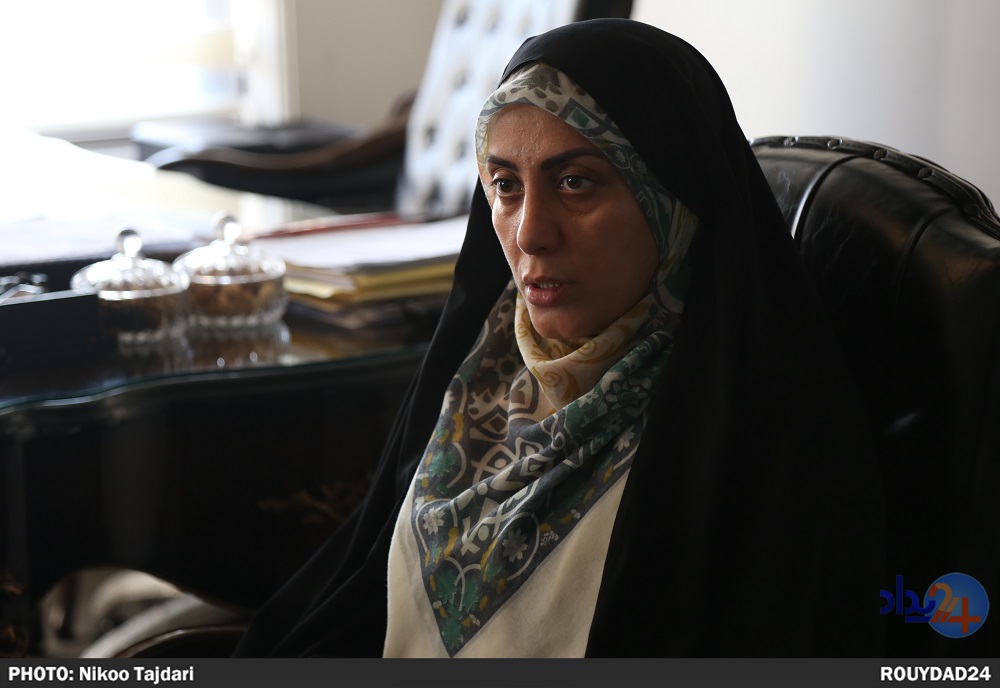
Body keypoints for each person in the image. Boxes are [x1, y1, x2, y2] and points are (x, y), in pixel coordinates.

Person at [233, 18, 886, 657]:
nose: (530, 234)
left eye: (576, 182)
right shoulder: (482, 368)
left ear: (672, 201)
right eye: (505, 186)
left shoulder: (769, 437)